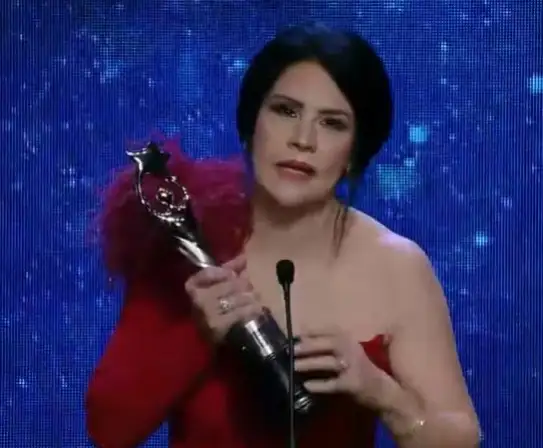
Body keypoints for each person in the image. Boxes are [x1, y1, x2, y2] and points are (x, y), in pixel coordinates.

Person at [85, 22, 480, 448]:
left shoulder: (397, 266)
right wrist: (194, 335)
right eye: (285, 111)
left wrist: (381, 392)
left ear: (355, 152)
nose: (303, 140)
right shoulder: (191, 250)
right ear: (251, 123)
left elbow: (459, 438)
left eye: (332, 123)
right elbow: (109, 430)